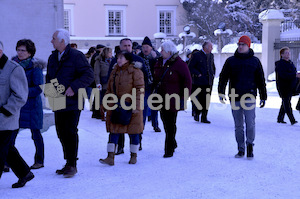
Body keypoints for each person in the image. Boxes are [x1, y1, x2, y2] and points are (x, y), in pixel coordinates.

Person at [46, 29, 94, 177]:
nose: (51, 41)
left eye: (53, 38)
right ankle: (68, 162)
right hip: (57, 99)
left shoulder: (76, 56)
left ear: (62, 41)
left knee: (70, 131)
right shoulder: (53, 57)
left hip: (73, 101)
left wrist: (74, 86)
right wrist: (49, 93)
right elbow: (49, 76)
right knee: (60, 132)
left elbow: (88, 75)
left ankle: (72, 164)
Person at [218, 35, 267, 159]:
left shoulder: (255, 61)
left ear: (248, 46)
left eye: (243, 44)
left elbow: (261, 80)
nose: (240, 46)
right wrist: (221, 92)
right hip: (235, 96)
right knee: (238, 125)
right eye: (239, 44)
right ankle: (240, 148)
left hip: (249, 95)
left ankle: (250, 145)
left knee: (250, 123)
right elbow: (223, 77)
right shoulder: (231, 61)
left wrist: (263, 96)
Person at [99, 51, 144, 165]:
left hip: (131, 106)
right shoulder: (115, 71)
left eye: (121, 58)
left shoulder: (135, 71)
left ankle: (133, 155)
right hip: (116, 106)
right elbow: (109, 89)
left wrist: (137, 106)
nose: (118, 60)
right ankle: (110, 157)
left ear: (128, 59)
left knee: (133, 132)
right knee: (114, 131)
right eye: (118, 57)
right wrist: (105, 103)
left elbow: (140, 89)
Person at [0, 41, 34, 188]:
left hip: (6, 119)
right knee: (7, 149)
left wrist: (5, 111)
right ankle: (24, 173)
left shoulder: (14, 69)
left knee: (1, 152)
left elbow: (20, 95)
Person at [108, 38, 149, 154]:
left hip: (134, 98)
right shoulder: (115, 62)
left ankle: (136, 144)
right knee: (117, 123)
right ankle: (119, 147)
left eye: (129, 45)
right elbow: (110, 80)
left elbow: (144, 79)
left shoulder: (138, 60)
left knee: (135, 124)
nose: (127, 47)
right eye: (124, 45)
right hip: (118, 100)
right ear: (120, 47)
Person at [153, 40, 192, 158]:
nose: (161, 52)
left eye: (163, 50)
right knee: (165, 122)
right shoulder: (159, 62)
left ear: (169, 51)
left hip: (173, 98)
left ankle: (169, 148)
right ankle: (173, 142)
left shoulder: (179, 63)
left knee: (171, 123)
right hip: (160, 97)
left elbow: (188, 80)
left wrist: (184, 96)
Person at [11, 39, 46, 169]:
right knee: (10, 134)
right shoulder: (12, 64)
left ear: (30, 53)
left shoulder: (35, 67)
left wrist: (21, 93)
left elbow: (38, 88)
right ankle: (6, 161)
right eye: (18, 50)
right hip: (16, 105)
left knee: (36, 134)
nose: (20, 53)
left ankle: (39, 160)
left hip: (31, 106)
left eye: (23, 50)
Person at [138, 36, 161, 133]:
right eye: (143, 47)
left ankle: (155, 125)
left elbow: (162, 63)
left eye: (147, 47)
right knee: (144, 106)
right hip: (144, 85)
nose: (145, 49)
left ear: (151, 48)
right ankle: (141, 126)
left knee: (155, 106)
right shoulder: (139, 58)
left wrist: (156, 57)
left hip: (155, 85)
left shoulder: (156, 57)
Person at [188, 41, 215, 123]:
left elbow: (212, 66)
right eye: (210, 47)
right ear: (205, 47)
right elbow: (190, 67)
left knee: (207, 100)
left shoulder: (211, 55)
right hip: (199, 82)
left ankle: (204, 117)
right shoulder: (196, 55)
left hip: (208, 81)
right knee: (199, 99)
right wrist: (198, 74)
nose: (212, 49)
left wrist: (212, 73)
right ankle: (197, 112)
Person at [275, 47, 298, 125]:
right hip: (283, 86)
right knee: (287, 103)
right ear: (281, 55)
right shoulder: (280, 64)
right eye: (286, 53)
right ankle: (292, 120)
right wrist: (294, 75)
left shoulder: (291, 63)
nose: (288, 54)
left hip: (291, 86)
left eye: (289, 53)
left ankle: (280, 118)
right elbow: (283, 75)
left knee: (285, 102)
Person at [94, 47, 113, 121]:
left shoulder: (113, 60)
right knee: (103, 100)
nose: (111, 54)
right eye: (110, 53)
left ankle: (109, 113)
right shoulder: (99, 61)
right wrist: (98, 83)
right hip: (103, 83)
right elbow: (96, 73)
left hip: (111, 83)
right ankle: (102, 114)